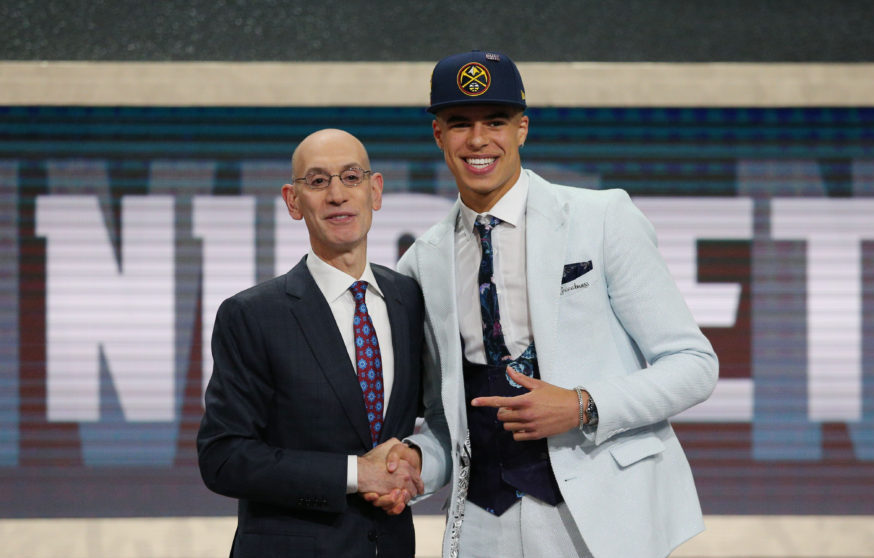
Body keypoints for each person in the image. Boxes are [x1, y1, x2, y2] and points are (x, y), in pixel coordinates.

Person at [376, 51, 719, 557]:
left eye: (495, 121)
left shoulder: (601, 218)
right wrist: (414, 464)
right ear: (437, 136)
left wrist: (582, 404)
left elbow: (694, 366)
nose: (477, 140)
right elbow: (446, 420)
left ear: (522, 129)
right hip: (480, 526)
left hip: (600, 517)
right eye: (459, 124)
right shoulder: (421, 262)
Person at [197, 128, 425, 558]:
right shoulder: (252, 315)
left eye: (351, 177)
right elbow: (224, 458)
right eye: (318, 181)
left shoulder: (410, 299)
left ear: (375, 191)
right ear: (293, 201)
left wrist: (412, 462)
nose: (337, 195)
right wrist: (357, 474)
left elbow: (438, 417)